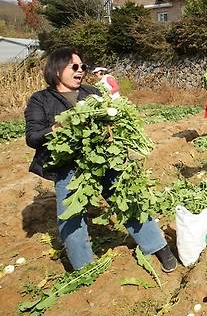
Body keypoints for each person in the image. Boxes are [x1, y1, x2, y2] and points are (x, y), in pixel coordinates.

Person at [24, 48, 177, 272]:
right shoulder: (41, 99)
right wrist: (56, 128)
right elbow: (32, 136)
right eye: (74, 67)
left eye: (82, 67)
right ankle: (84, 269)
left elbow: (111, 121)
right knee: (71, 216)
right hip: (68, 167)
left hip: (103, 161)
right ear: (57, 70)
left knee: (129, 200)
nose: (81, 71)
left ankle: (158, 246)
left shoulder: (92, 92)